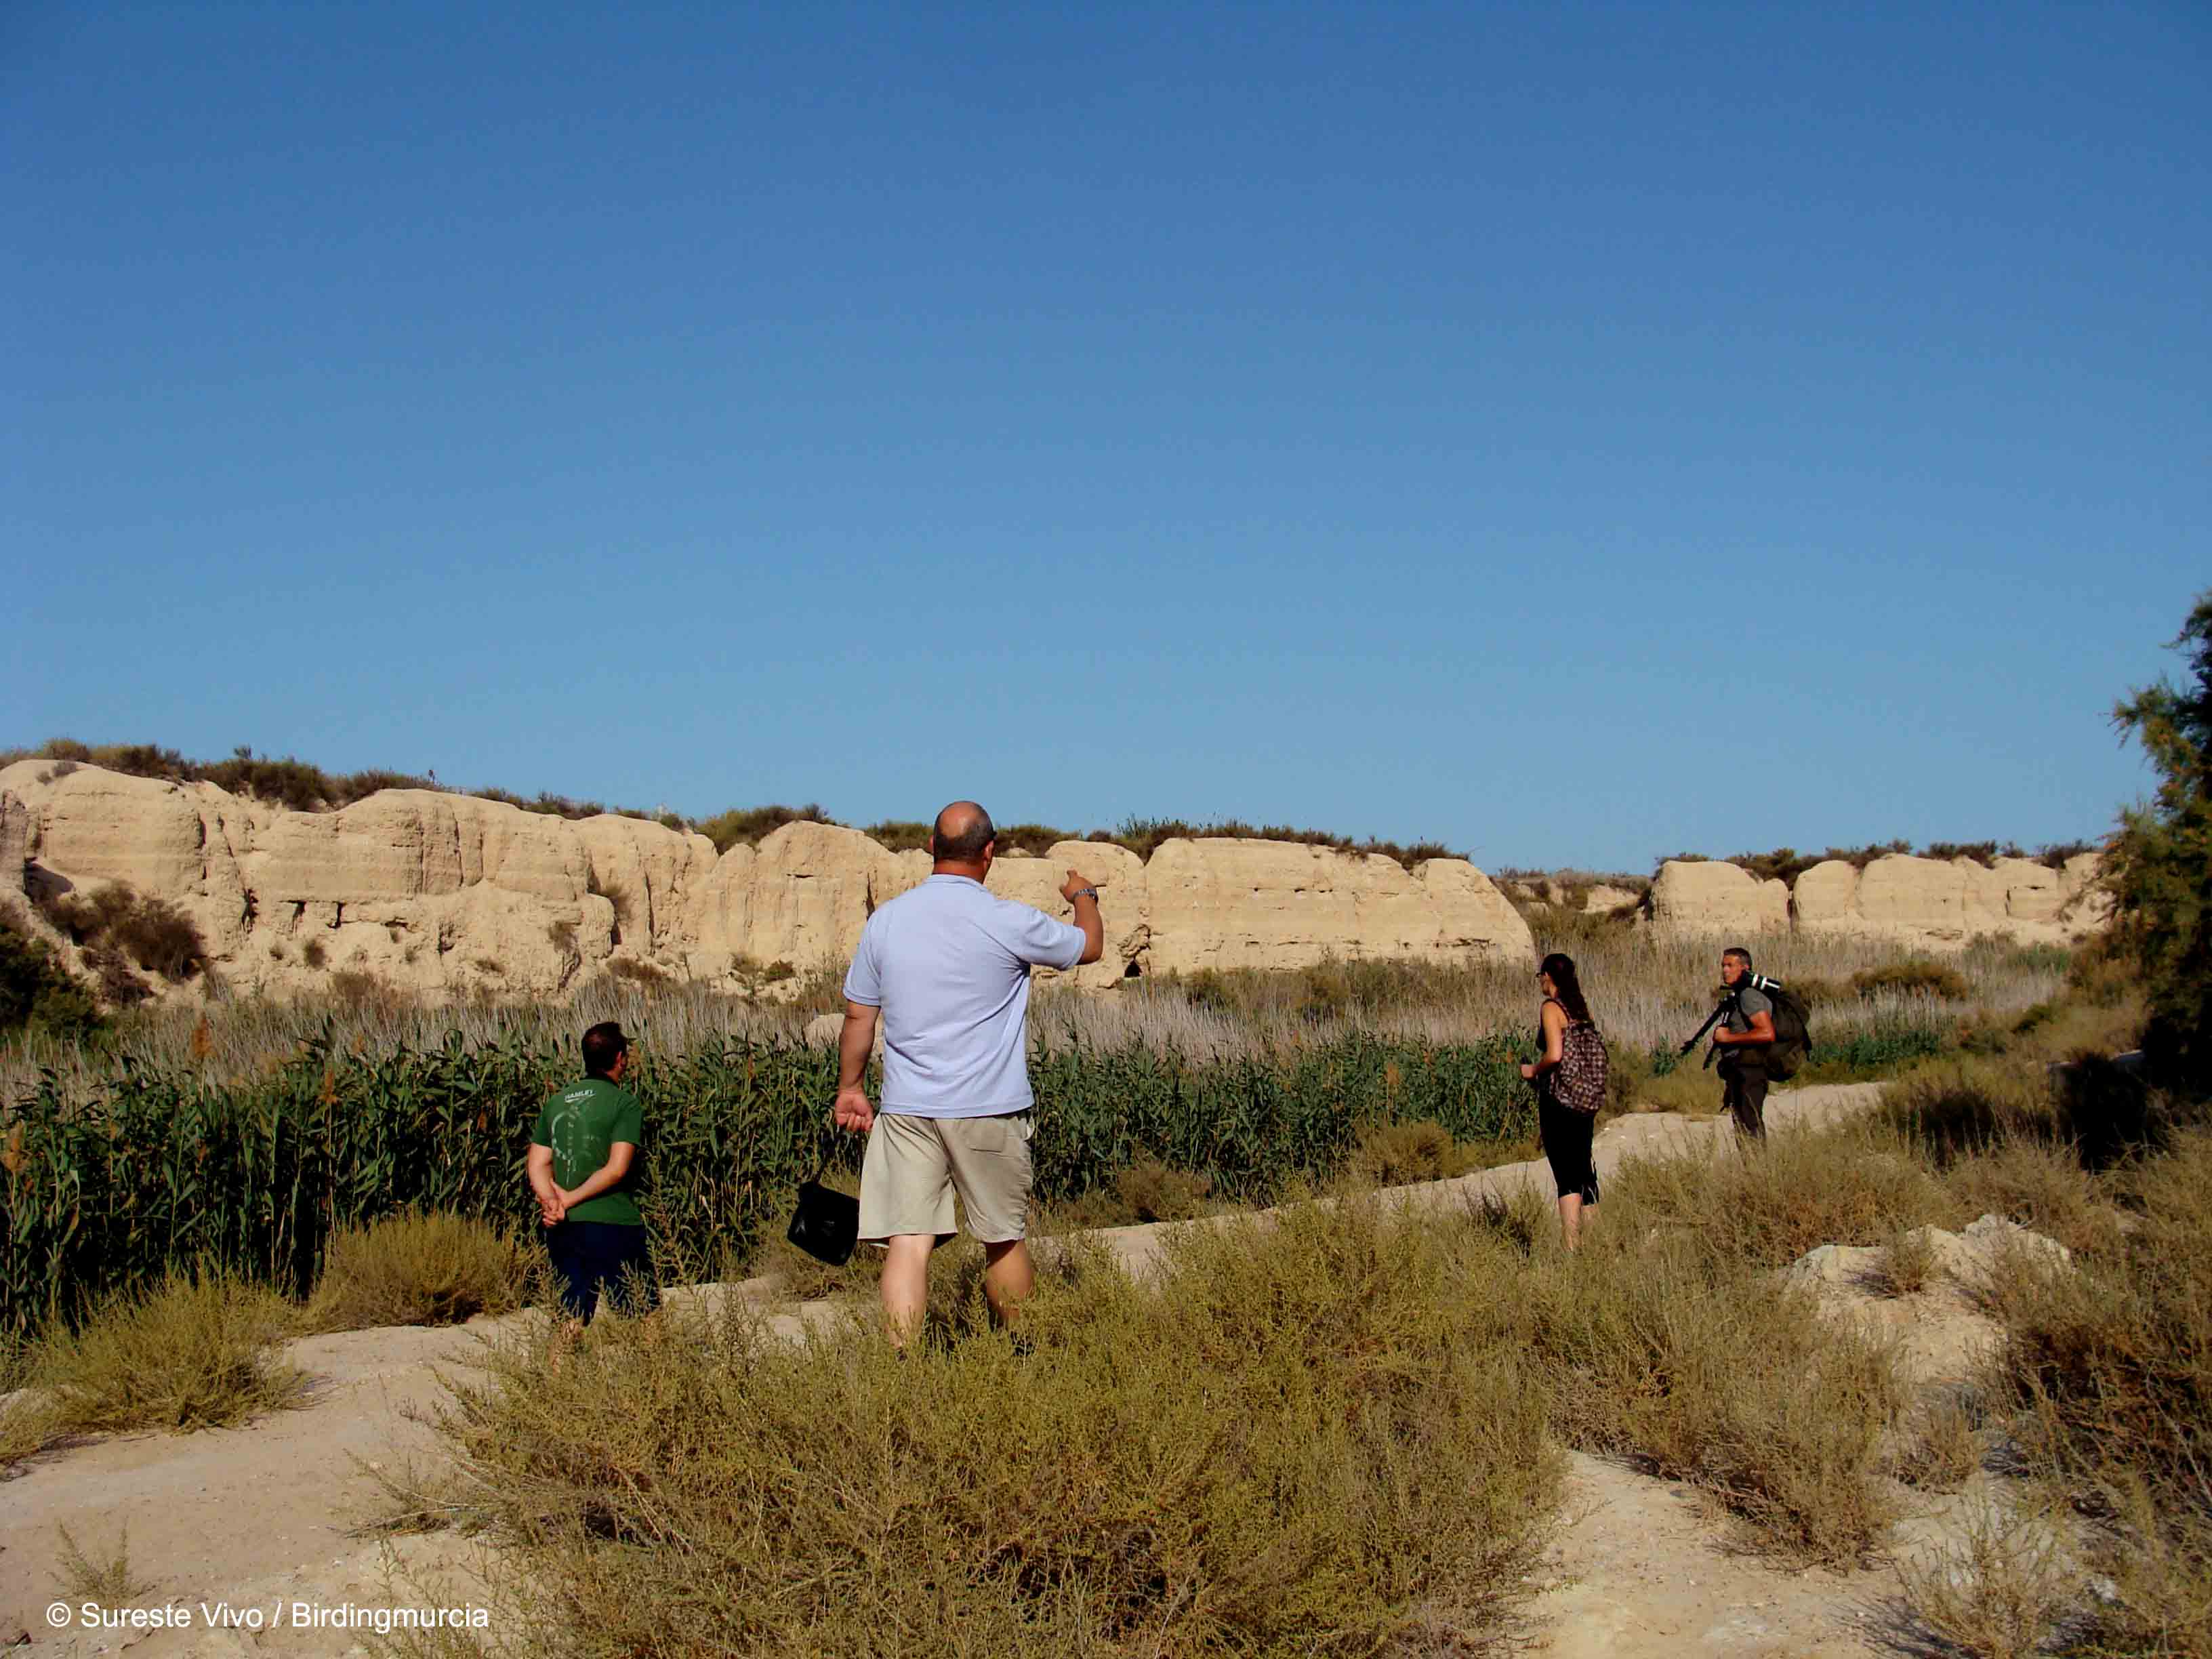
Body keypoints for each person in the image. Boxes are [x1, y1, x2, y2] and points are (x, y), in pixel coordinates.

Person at [832, 800, 1104, 1339]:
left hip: (908, 1109)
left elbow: (860, 1016)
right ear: (990, 852)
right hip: (989, 1108)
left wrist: (850, 1089)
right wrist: (1084, 896)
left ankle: (901, 1365)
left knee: (909, 1242)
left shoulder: (887, 921)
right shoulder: (1008, 920)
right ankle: (1023, 1354)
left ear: (931, 846)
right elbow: (1090, 946)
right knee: (1002, 1239)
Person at [529, 1020, 657, 1330]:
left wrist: (552, 1203)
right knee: (645, 1315)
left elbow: (538, 1164)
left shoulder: (556, 1102)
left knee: (570, 1318)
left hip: (565, 1228)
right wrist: (570, 1199)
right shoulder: (624, 1104)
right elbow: (616, 1168)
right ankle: (656, 1365)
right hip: (615, 1222)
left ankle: (557, 1365)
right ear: (620, 1059)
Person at [1519, 951, 1602, 1248]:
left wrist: (1532, 1070)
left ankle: (1571, 1247)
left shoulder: (1551, 1008)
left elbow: (1555, 1054)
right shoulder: (1579, 1007)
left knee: (1566, 1174)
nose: (1540, 982)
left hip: (1559, 1097)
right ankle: (1596, 1243)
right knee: (1584, 1169)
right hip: (1585, 1097)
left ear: (1548, 976)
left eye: (1540, 976)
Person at [1708, 945, 1775, 1140]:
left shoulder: (1749, 995)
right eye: (1723, 966)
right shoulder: (1741, 995)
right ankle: (1751, 1159)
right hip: (1741, 1069)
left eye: (1730, 965)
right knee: (1743, 1127)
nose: (1725, 970)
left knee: (1750, 1125)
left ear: (1745, 969)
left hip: (1750, 1070)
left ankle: (1757, 1160)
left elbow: (1767, 1033)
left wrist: (1728, 1038)